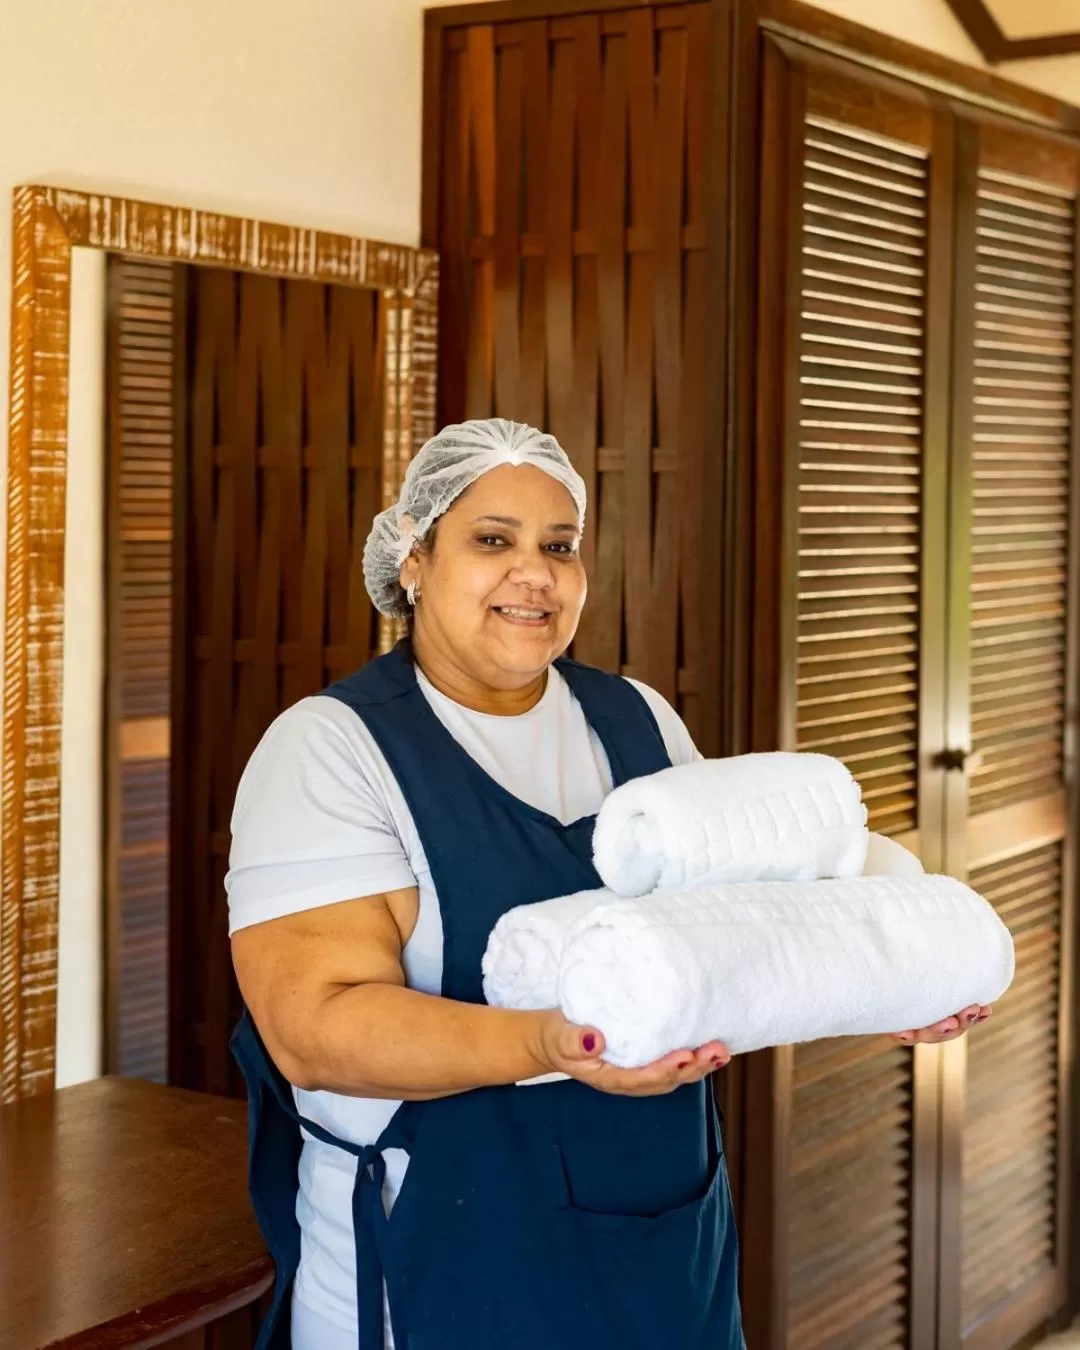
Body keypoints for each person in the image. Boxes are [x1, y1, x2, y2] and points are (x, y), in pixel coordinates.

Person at [227, 418, 988, 1350]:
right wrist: (552, 1041)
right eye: (493, 540)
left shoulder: (635, 720)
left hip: (658, 1238)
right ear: (415, 559)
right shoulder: (332, 749)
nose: (533, 573)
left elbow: (741, 925)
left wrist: (892, 974)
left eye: (560, 546)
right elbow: (314, 1031)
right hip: (441, 1257)